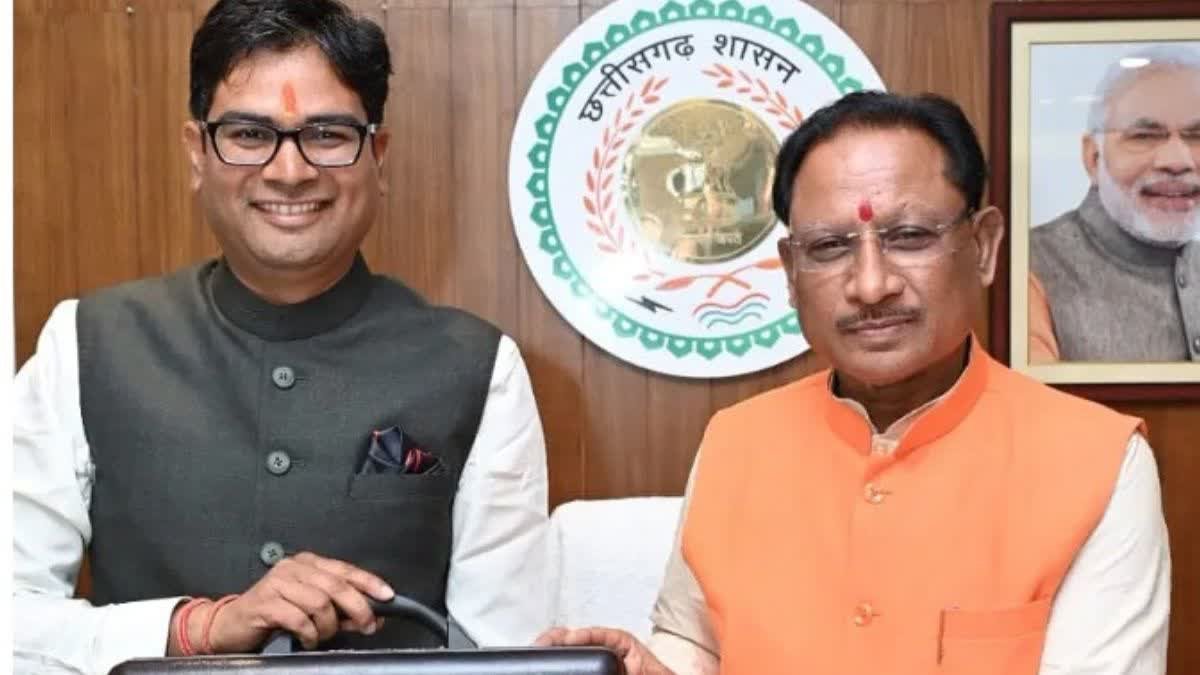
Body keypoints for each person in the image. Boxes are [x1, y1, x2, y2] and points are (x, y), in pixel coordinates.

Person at [537, 92, 1171, 674]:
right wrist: (656, 669)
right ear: (791, 272)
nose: (871, 285)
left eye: (909, 237)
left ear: (983, 247)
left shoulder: (1097, 463)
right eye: (831, 247)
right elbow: (697, 642)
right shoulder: (736, 441)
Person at [13, 1, 553, 672]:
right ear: (196, 153)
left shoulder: (479, 368)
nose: (289, 171)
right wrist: (199, 628)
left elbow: (507, 657)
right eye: (248, 133)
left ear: (378, 155)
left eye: (327, 133)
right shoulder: (86, 345)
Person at [1029, 45, 1200, 363]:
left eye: (1197, 136)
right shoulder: (1028, 265)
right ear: (1093, 158)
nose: (1177, 161)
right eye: (1144, 136)